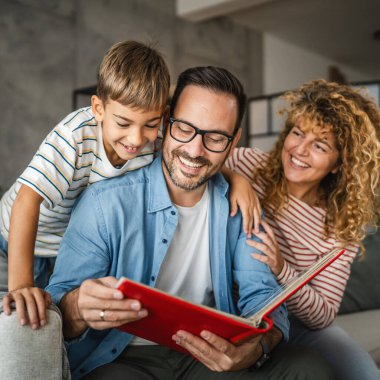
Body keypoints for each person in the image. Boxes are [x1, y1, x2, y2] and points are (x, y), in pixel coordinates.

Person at [46, 67, 334, 380]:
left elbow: (263, 296)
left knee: (310, 367)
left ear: (234, 139)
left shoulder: (242, 207)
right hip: (123, 358)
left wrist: (260, 345)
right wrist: (78, 308)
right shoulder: (104, 202)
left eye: (216, 138)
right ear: (167, 121)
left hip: (206, 355)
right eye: (185, 129)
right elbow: (59, 306)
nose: (195, 151)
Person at [0, 40, 170, 327]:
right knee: (14, 320)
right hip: (13, 242)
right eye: (124, 123)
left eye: (150, 125)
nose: (137, 139)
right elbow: (27, 200)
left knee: (49, 327)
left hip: (64, 253)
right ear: (98, 108)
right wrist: (20, 285)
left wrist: (235, 179)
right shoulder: (74, 136)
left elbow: (190, 159)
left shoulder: (154, 143)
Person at [227, 79, 380, 380]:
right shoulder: (247, 165)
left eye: (320, 146)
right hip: (240, 310)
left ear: (339, 163)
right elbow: (202, 162)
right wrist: (236, 179)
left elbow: (321, 315)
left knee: (365, 374)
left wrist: (281, 267)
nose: (299, 150)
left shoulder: (341, 227)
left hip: (298, 325)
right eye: (297, 133)